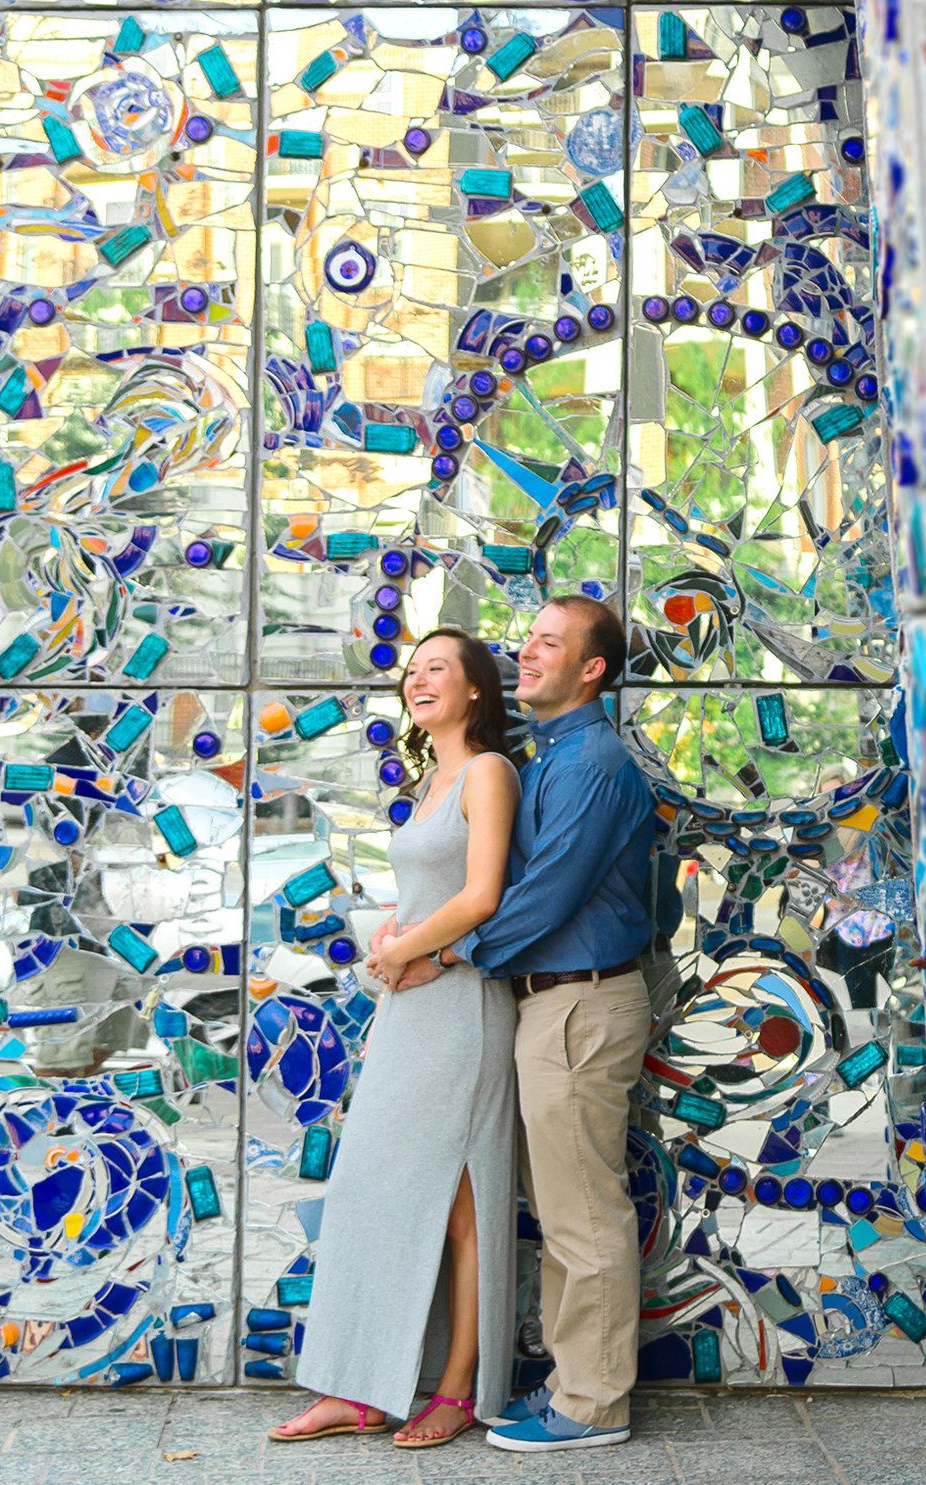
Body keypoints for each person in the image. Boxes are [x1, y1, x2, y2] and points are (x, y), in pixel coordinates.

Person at [383, 594, 658, 1454]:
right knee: (564, 1207)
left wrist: (450, 954)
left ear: (593, 670)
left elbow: (546, 894)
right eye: (527, 639)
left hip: (582, 1001)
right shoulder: (546, 757)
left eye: (550, 644)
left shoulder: (592, 764)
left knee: (584, 1212)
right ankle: (572, 1383)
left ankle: (594, 1405)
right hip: (551, 1002)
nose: (527, 653)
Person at [270, 629, 524, 1450]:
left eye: (437, 669)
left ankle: (456, 1389)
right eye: (411, 671)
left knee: (461, 1203)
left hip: (462, 1008)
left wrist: (401, 948)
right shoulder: (429, 781)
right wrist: (395, 934)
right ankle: (360, 1386)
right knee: (368, 1190)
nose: (418, 680)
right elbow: (431, 888)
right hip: (412, 1004)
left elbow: (483, 894)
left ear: (477, 688)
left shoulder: (488, 772)